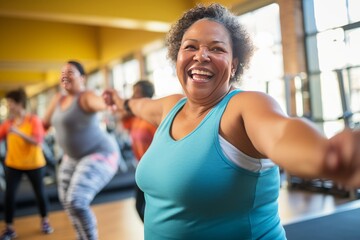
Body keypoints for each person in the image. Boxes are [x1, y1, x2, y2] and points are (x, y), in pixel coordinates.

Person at [103, 3, 360, 239]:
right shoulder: (171, 106)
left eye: (216, 48)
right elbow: (139, 105)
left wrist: (326, 155)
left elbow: (280, 132)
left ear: (234, 65)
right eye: (190, 46)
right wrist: (122, 102)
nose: (201, 55)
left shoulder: (244, 107)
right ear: (177, 56)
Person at [42, 60, 119, 240]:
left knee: (76, 201)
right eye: (62, 72)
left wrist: (109, 102)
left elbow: (101, 103)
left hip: (100, 153)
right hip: (72, 157)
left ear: (82, 78)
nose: (64, 75)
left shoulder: (86, 96)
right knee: (67, 201)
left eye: (70, 71)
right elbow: (43, 124)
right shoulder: (58, 99)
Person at [0, 88, 53, 240]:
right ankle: (9, 228)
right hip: (13, 164)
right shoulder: (8, 123)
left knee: (40, 194)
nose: (9, 105)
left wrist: (18, 132)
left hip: (34, 164)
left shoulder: (33, 120)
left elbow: (38, 140)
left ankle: (45, 222)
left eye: (10, 102)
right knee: (9, 196)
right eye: (8, 102)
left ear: (19, 103)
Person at [118, 80, 157, 222]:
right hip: (141, 169)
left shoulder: (153, 117)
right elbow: (121, 117)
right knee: (139, 206)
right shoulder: (136, 117)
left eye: (136, 93)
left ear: (146, 96)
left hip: (155, 170)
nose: (133, 96)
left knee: (152, 208)